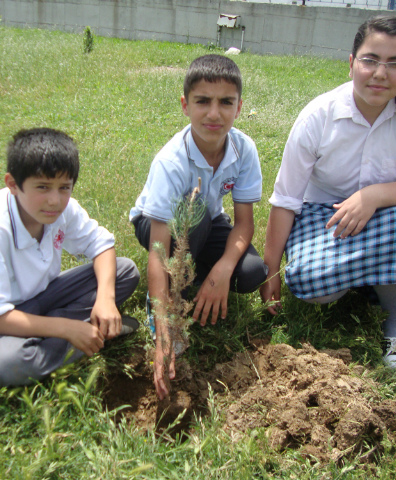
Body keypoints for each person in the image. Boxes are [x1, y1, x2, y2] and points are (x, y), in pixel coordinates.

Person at [260, 15, 396, 368]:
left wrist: (372, 197)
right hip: (321, 217)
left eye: (395, 63)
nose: (380, 73)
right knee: (311, 286)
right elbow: (286, 200)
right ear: (352, 62)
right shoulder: (319, 116)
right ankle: (372, 277)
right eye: (370, 60)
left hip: (384, 216)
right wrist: (271, 273)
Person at [0, 128, 140, 386]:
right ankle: (91, 336)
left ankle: (76, 331)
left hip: (41, 295)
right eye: (42, 187)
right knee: (9, 365)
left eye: (64, 187)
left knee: (124, 272)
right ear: (13, 184)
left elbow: (101, 244)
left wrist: (105, 300)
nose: (54, 200)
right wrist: (66, 328)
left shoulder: (63, 209)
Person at [130, 54, 268, 399]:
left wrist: (222, 271)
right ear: (184, 105)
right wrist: (165, 324)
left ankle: (199, 279)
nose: (214, 113)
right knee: (196, 216)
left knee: (250, 271)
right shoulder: (170, 162)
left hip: (208, 222)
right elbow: (160, 248)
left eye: (226, 102)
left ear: (239, 107)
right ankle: (164, 299)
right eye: (202, 101)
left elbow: (243, 224)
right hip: (158, 227)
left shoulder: (244, 149)